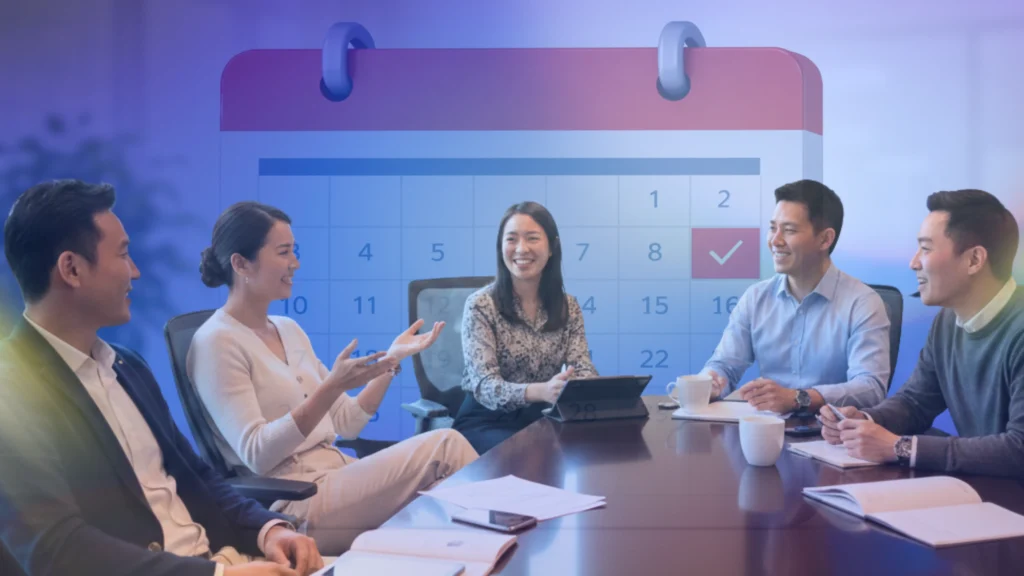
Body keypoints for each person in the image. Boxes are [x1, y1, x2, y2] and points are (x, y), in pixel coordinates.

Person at [0, 180, 323, 576]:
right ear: (72, 269)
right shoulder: (12, 392)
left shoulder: (127, 367)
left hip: (225, 560)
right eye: (123, 254)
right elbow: (57, 549)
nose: (134, 271)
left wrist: (268, 531)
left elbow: (199, 476)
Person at [187, 201, 479, 555]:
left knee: (446, 506)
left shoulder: (288, 329)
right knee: (445, 446)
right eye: (283, 252)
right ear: (241, 263)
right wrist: (330, 387)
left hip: (339, 476)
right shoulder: (216, 342)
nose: (294, 263)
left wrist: (392, 361)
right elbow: (257, 455)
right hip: (296, 502)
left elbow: (349, 422)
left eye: (293, 251)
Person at [821, 189, 1024, 478]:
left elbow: (1019, 449)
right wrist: (864, 421)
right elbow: (915, 402)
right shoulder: (947, 321)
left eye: (926, 249)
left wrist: (899, 447)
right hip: (984, 495)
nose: (913, 262)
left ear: (975, 260)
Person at [697, 179, 891, 415]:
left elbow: (870, 387)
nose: (775, 241)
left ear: (825, 239)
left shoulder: (862, 302)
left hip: (831, 435)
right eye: (772, 228)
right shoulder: (756, 298)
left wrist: (798, 398)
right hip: (765, 432)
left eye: (789, 230)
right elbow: (725, 364)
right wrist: (712, 382)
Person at [452, 201, 599, 454]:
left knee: (597, 446)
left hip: (543, 417)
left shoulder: (569, 306)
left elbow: (583, 367)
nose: (521, 249)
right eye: (511, 239)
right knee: (532, 453)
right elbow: (485, 386)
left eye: (532, 238)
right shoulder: (481, 305)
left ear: (552, 247)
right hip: (486, 420)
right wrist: (541, 391)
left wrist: (578, 386)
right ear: (501, 248)